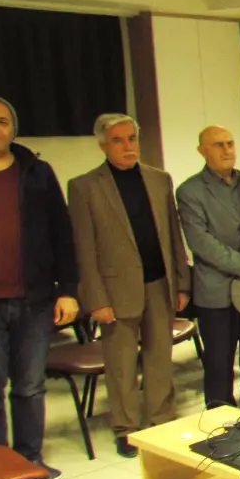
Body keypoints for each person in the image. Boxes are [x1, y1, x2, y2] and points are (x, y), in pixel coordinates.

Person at [0, 96, 78, 479]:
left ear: (13, 129)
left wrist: (68, 289)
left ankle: (29, 462)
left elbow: (62, 234)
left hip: (34, 301)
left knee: (29, 387)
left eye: (2, 121)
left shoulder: (37, 172)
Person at [69, 113, 191, 457]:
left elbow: (173, 236)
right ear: (103, 146)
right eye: (118, 141)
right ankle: (126, 428)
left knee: (159, 357)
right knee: (121, 363)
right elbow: (84, 248)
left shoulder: (159, 179)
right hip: (115, 290)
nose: (128, 147)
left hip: (159, 283)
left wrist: (182, 283)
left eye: (132, 139)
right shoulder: (84, 187)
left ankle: (161, 419)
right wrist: (95, 298)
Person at [176, 126, 240, 417]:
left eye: (230, 143)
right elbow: (201, 242)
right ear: (202, 151)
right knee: (219, 359)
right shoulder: (190, 191)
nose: (227, 150)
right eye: (218, 145)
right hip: (216, 288)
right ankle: (221, 413)